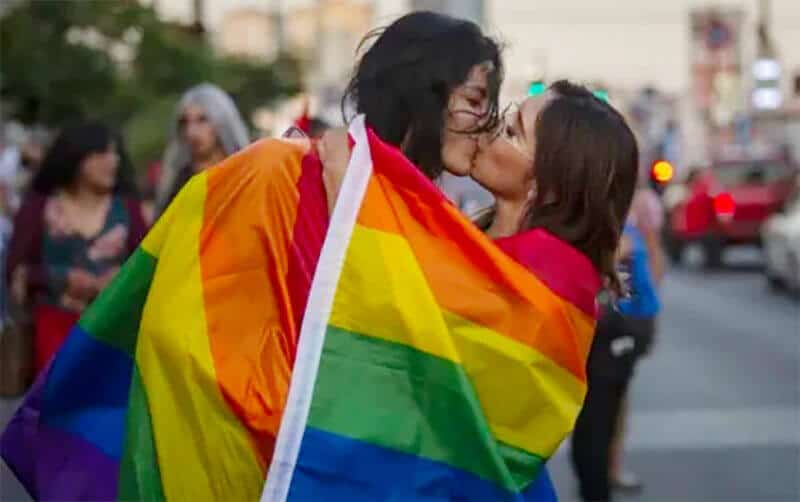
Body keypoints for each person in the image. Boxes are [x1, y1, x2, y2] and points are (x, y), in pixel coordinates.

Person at [320, 79, 639, 498]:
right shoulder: (482, 241)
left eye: (512, 131)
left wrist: (344, 192)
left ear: (552, 183)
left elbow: (396, 322)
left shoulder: (550, 276)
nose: (488, 129)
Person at [5, 121, 146, 374]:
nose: (112, 161)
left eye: (115, 153)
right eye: (102, 153)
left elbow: (148, 269)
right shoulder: (39, 210)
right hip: (52, 339)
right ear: (78, 157)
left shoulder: (128, 211)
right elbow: (15, 273)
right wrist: (62, 278)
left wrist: (120, 279)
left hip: (114, 339)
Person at [155, 83, 250, 214]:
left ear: (222, 123)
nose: (191, 131)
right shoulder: (176, 184)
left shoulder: (244, 179)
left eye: (202, 120)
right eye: (185, 122)